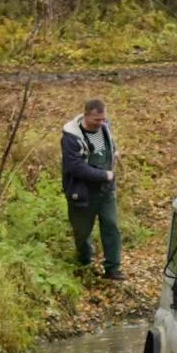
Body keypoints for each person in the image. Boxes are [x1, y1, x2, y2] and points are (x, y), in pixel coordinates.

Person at [60, 98, 123, 280]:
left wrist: (114, 151)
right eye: (97, 120)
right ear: (86, 115)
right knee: (82, 232)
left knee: (111, 226)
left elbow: (109, 140)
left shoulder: (104, 126)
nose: (101, 123)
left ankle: (113, 268)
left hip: (106, 191)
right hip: (82, 192)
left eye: (103, 119)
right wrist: (104, 175)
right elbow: (75, 167)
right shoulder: (71, 137)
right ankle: (85, 263)